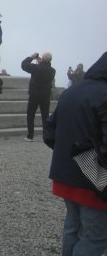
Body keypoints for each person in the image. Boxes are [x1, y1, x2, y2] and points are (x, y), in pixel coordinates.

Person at [43, 52, 107, 255]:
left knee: (73, 227)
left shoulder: (72, 91)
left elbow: (49, 132)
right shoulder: (104, 94)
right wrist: (91, 162)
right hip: (95, 180)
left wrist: (73, 155)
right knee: (94, 236)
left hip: (65, 174)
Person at [21, 52, 56, 141]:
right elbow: (45, 69)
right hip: (45, 95)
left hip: (34, 95)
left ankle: (30, 135)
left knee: (31, 115)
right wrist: (41, 62)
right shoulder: (52, 71)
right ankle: (46, 136)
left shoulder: (36, 68)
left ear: (43, 59)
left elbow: (24, 65)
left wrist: (31, 57)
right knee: (45, 116)